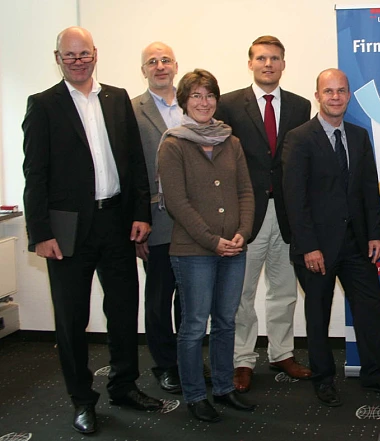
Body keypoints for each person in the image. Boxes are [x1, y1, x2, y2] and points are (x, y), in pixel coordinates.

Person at [22, 26, 162, 435]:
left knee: (122, 311)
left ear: (96, 54)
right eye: (71, 55)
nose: (79, 61)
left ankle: (124, 386)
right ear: (58, 58)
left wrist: (141, 213)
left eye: (85, 54)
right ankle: (82, 400)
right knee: (71, 320)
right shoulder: (43, 105)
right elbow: (35, 175)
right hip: (66, 232)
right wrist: (40, 232)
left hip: (117, 222)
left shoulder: (116, 99)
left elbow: (136, 163)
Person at [282, 68, 380, 407]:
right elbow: (295, 199)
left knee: (370, 306)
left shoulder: (358, 135)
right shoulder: (300, 138)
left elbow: (370, 188)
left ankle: (374, 373)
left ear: (349, 95)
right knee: (318, 314)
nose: (335, 96)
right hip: (317, 249)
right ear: (317, 96)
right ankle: (323, 378)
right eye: (328, 91)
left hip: (356, 244)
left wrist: (374, 234)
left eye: (341, 91)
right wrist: (308, 246)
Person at [157, 69, 256, 423]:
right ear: (185, 101)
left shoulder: (232, 142)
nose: (204, 102)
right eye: (196, 96)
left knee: (227, 321)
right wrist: (214, 241)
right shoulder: (173, 144)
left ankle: (224, 388)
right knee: (194, 325)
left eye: (209, 95)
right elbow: (177, 203)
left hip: (235, 248)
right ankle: (196, 395)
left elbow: (246, 191)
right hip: (194, 251)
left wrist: (243, 231)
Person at [215, 35, 313, 392]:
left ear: (284, 64)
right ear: (250, 63)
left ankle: (282, 353)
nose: (268, 64)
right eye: (261, 58)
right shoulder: (228, 104)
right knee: (241, 293)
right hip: (246, 214)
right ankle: (242, 359)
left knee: (284, 290)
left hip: (286, 213)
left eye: (274, 58)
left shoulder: (301, 106)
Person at [131, 41, 182, 394]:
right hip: (156, 220)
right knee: (160, 297)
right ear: (144, 70)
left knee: (193, 299)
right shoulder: (131, 110)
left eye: (165, 60)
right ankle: (165, 365)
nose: (160, 66)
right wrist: (136, 225)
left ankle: (189, 360)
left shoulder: (196, 102)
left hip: (196, 221)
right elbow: (129, 170)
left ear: (176, 65)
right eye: (152, 61)